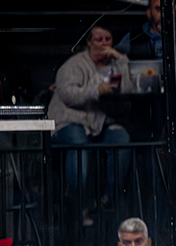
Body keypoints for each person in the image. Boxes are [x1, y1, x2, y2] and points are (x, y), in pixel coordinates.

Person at [48, 26, 133, 219]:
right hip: (67, 121)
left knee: (121, 137)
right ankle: (78, 206)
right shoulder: (75, 64)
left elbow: (125, 91)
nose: (104, 44)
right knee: (79, 144)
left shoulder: (113, 65)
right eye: (99, 39)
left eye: (108, 39)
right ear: (89, 42)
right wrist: (96, 91)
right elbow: (68, 95)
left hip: (97, 124)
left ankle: (108, 200)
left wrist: (120, 59)